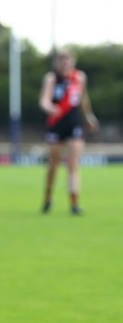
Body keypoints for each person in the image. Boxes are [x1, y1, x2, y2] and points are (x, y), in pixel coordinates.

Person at [39, 49, 99, 215]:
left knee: (73, 164)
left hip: (74, 124)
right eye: (62, 59)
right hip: (56, 124)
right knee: (53, 165)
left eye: (68, 59)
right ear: (58, 62)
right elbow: (44, 99)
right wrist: (50, 108)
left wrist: (89, 117)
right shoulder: (51, 78)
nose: (65, 62)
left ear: (73, 61)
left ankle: (74, 203)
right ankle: (48, 197)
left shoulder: (79, 77)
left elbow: (83, 99)